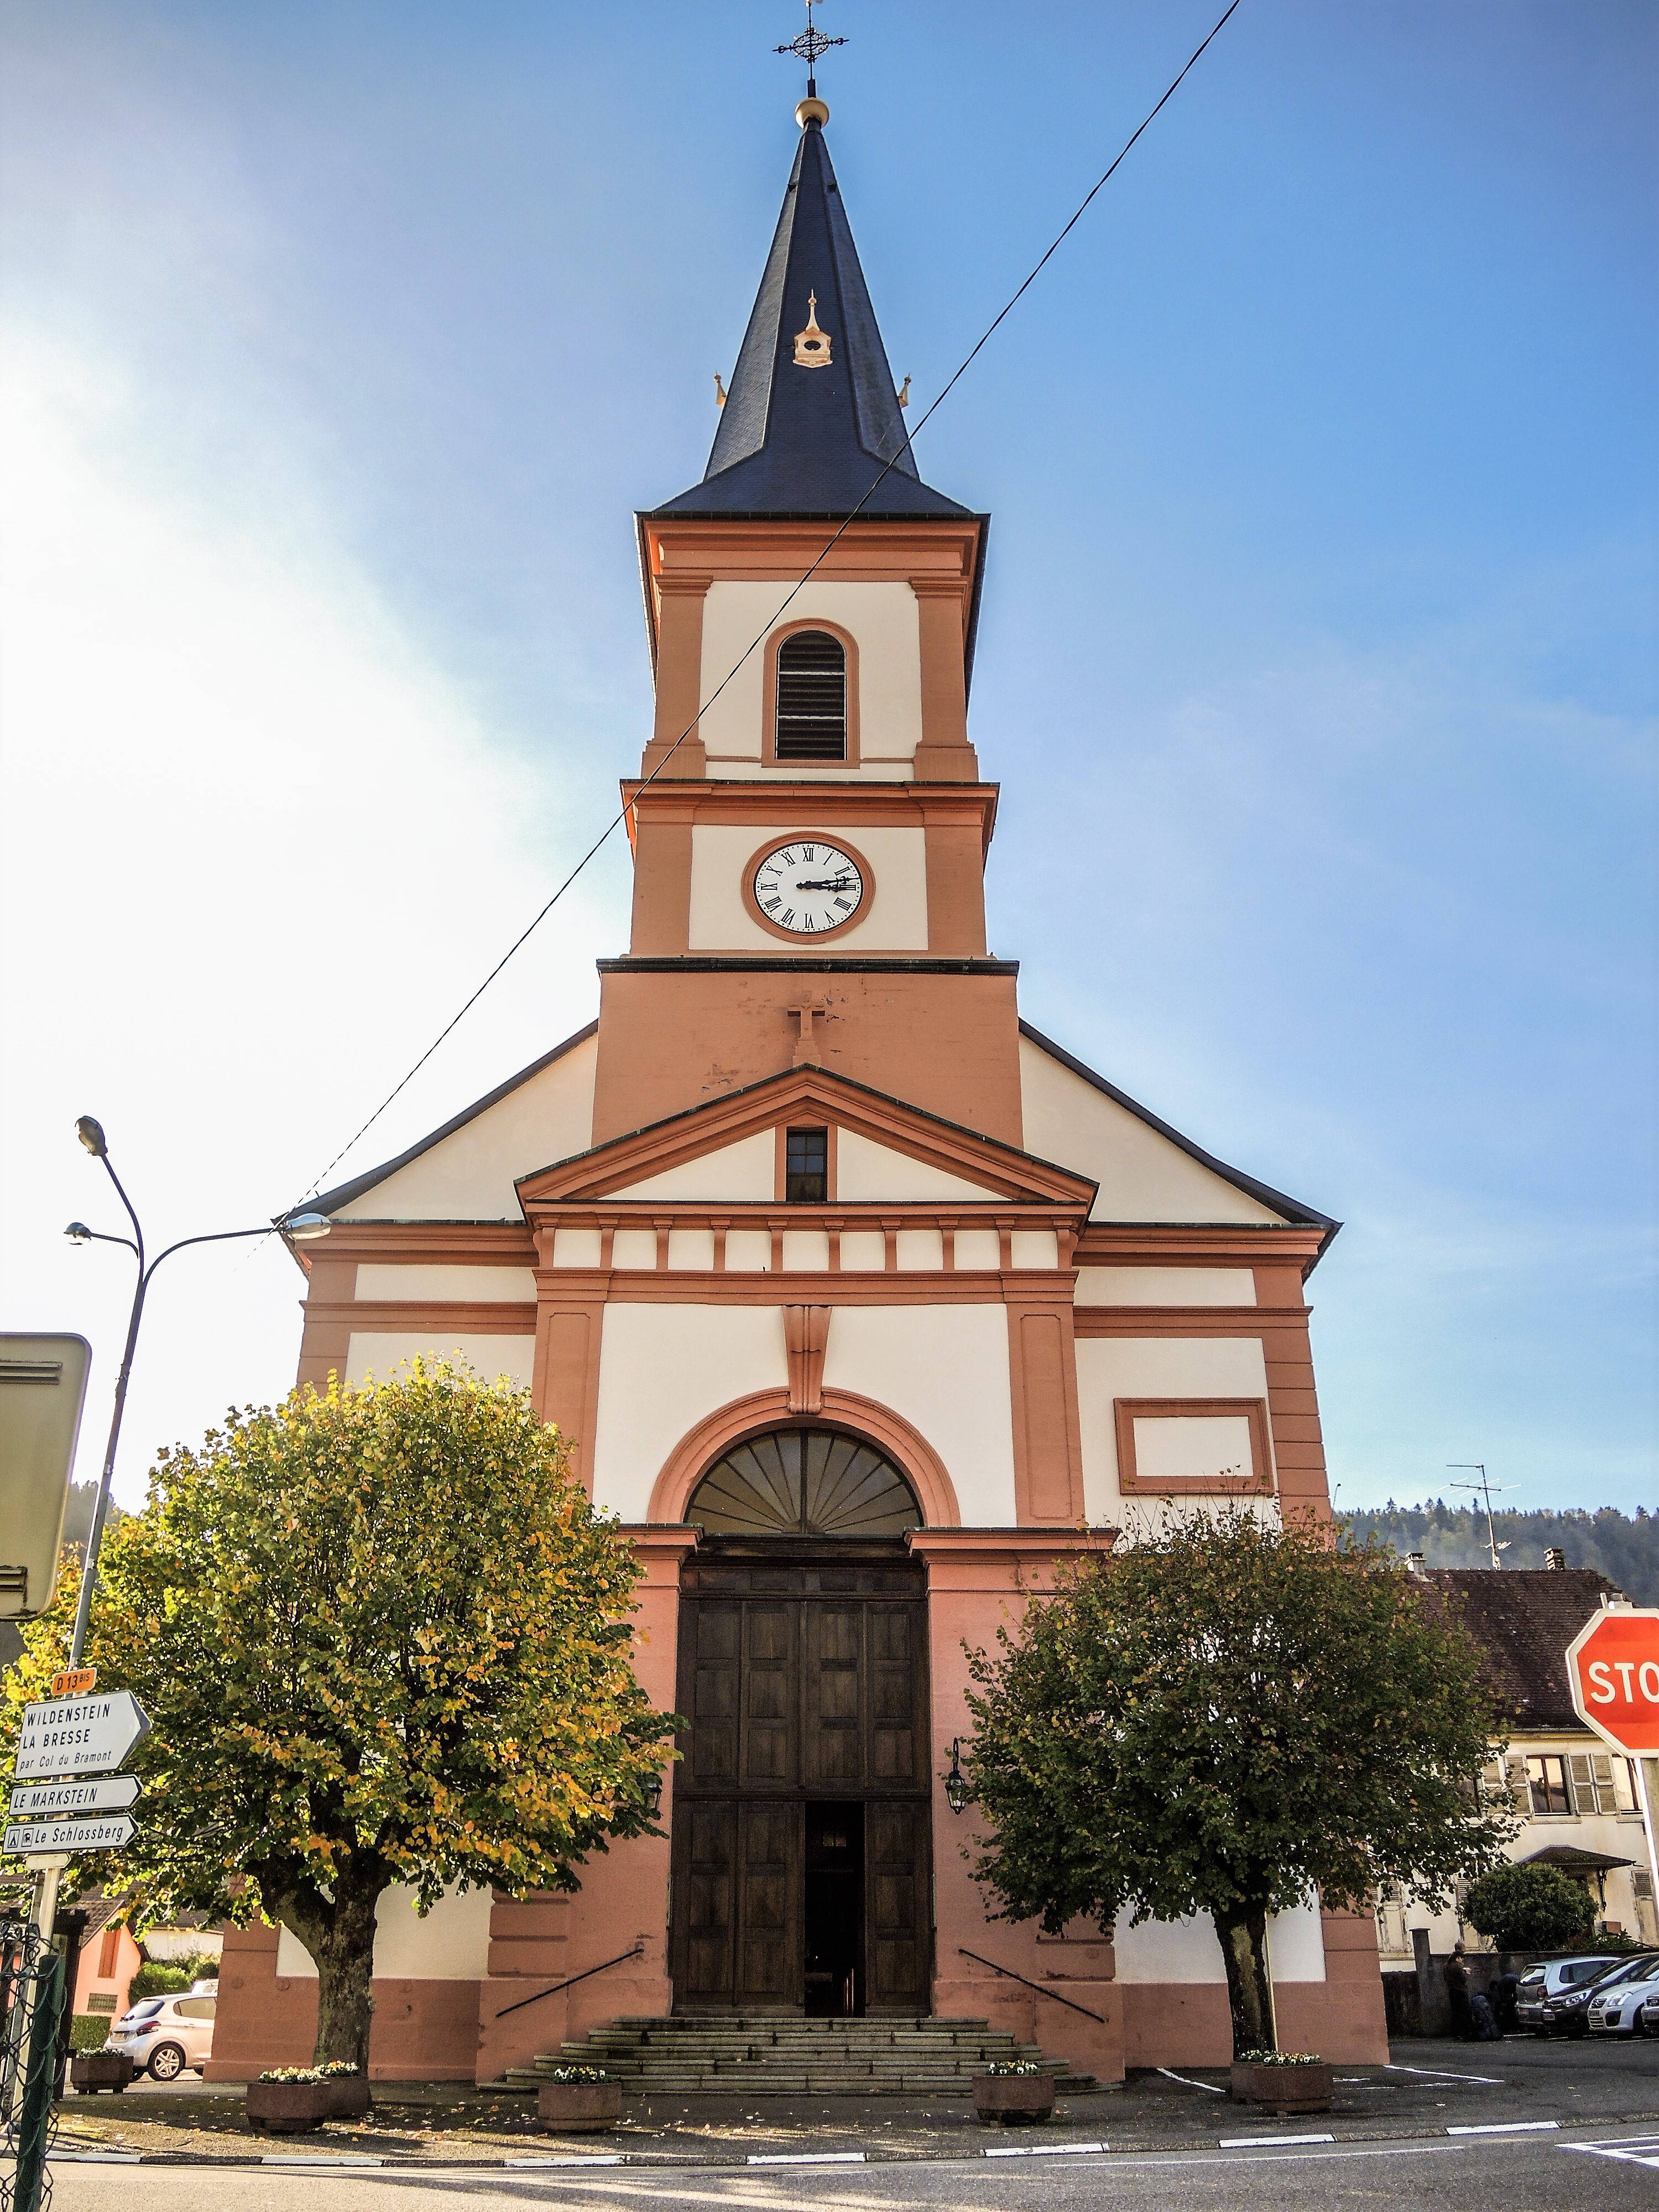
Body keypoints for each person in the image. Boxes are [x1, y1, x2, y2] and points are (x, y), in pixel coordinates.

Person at [1444, 1944, 1474, 2039]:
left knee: (1456, 2012)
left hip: (1452, 1991)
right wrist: (1465, 1972)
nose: (1462, 1961)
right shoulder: (1457, 1967)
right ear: (1458, 1958)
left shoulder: (1447, 1966)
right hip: (1460, 1991)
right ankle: (1466, 2033)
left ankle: (1456, 2033)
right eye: (1462, 1959)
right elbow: (1463, 1979)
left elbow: (1446, 1978)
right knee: (1465, 2012)